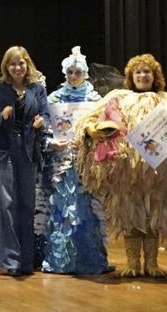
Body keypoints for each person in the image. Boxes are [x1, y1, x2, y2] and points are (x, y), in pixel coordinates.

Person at [76, 53, 167, 278]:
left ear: (155, 75)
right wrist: (92, 130)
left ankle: (152, 262)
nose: (142, 75)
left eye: (147, 71)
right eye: (137, 72)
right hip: (127, 171)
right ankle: (132, 262)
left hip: (159, 170)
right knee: (130, 214)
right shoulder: (118, 97)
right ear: (131, 76)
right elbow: (89, 119)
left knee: (154, 214)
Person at [38, 46, 112, 275]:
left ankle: (89, 260)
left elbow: (107, 130)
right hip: (61, 165)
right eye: (69, 72)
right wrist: (52, 143)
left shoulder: (95, 100)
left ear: (85, 73)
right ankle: (62, 260)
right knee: (61, 210)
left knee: (87, 210)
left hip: (86, 164)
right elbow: (44, 130)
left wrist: (91, 139)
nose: (73, 76)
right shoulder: (54, 99)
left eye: (77, 72)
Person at [0, 46, 50, 276]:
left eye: (20, 63)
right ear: (6, 67)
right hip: (4, 151)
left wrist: (43, 123)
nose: (17, 68)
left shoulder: (37, 89)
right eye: (12, 64)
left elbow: (47, 116)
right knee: (7, 205)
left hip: (28, 151)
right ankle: (11, 261)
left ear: (27, 64)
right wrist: (1, 117)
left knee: (26, 205)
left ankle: (26, 261)